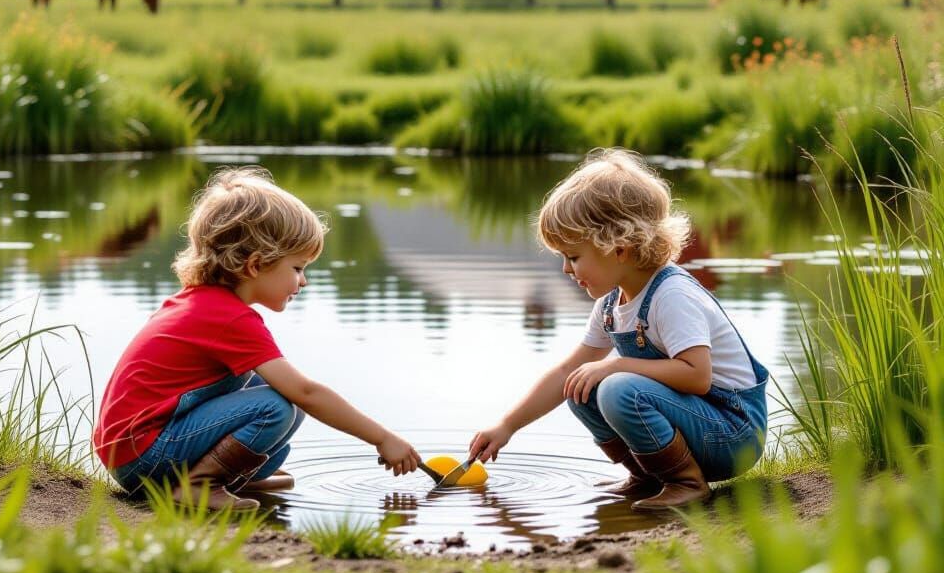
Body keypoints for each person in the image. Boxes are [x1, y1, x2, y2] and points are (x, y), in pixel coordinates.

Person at [93, 167, 420, 510]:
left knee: (277, 403)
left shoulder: (200, 302)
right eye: (297, 268)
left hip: (129, 452)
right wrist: (381, 438)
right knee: (278, 406)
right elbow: (306, 392)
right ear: (254, 265)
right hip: (143, 458)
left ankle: (230, 475)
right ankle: (199, 484)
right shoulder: (229, 318)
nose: (303, 282)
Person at [468, 150, 768, 510]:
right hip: (698, 425)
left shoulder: (671, 295)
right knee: (579, 385)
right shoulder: (611, 304)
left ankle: (687, 482)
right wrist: (506, 426)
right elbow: (565, 371)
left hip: (733, 433)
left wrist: (615, 365)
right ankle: (645, 476)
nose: (565, 269)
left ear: (619, 249)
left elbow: (697, 377)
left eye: (573, 257)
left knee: (614, 386)